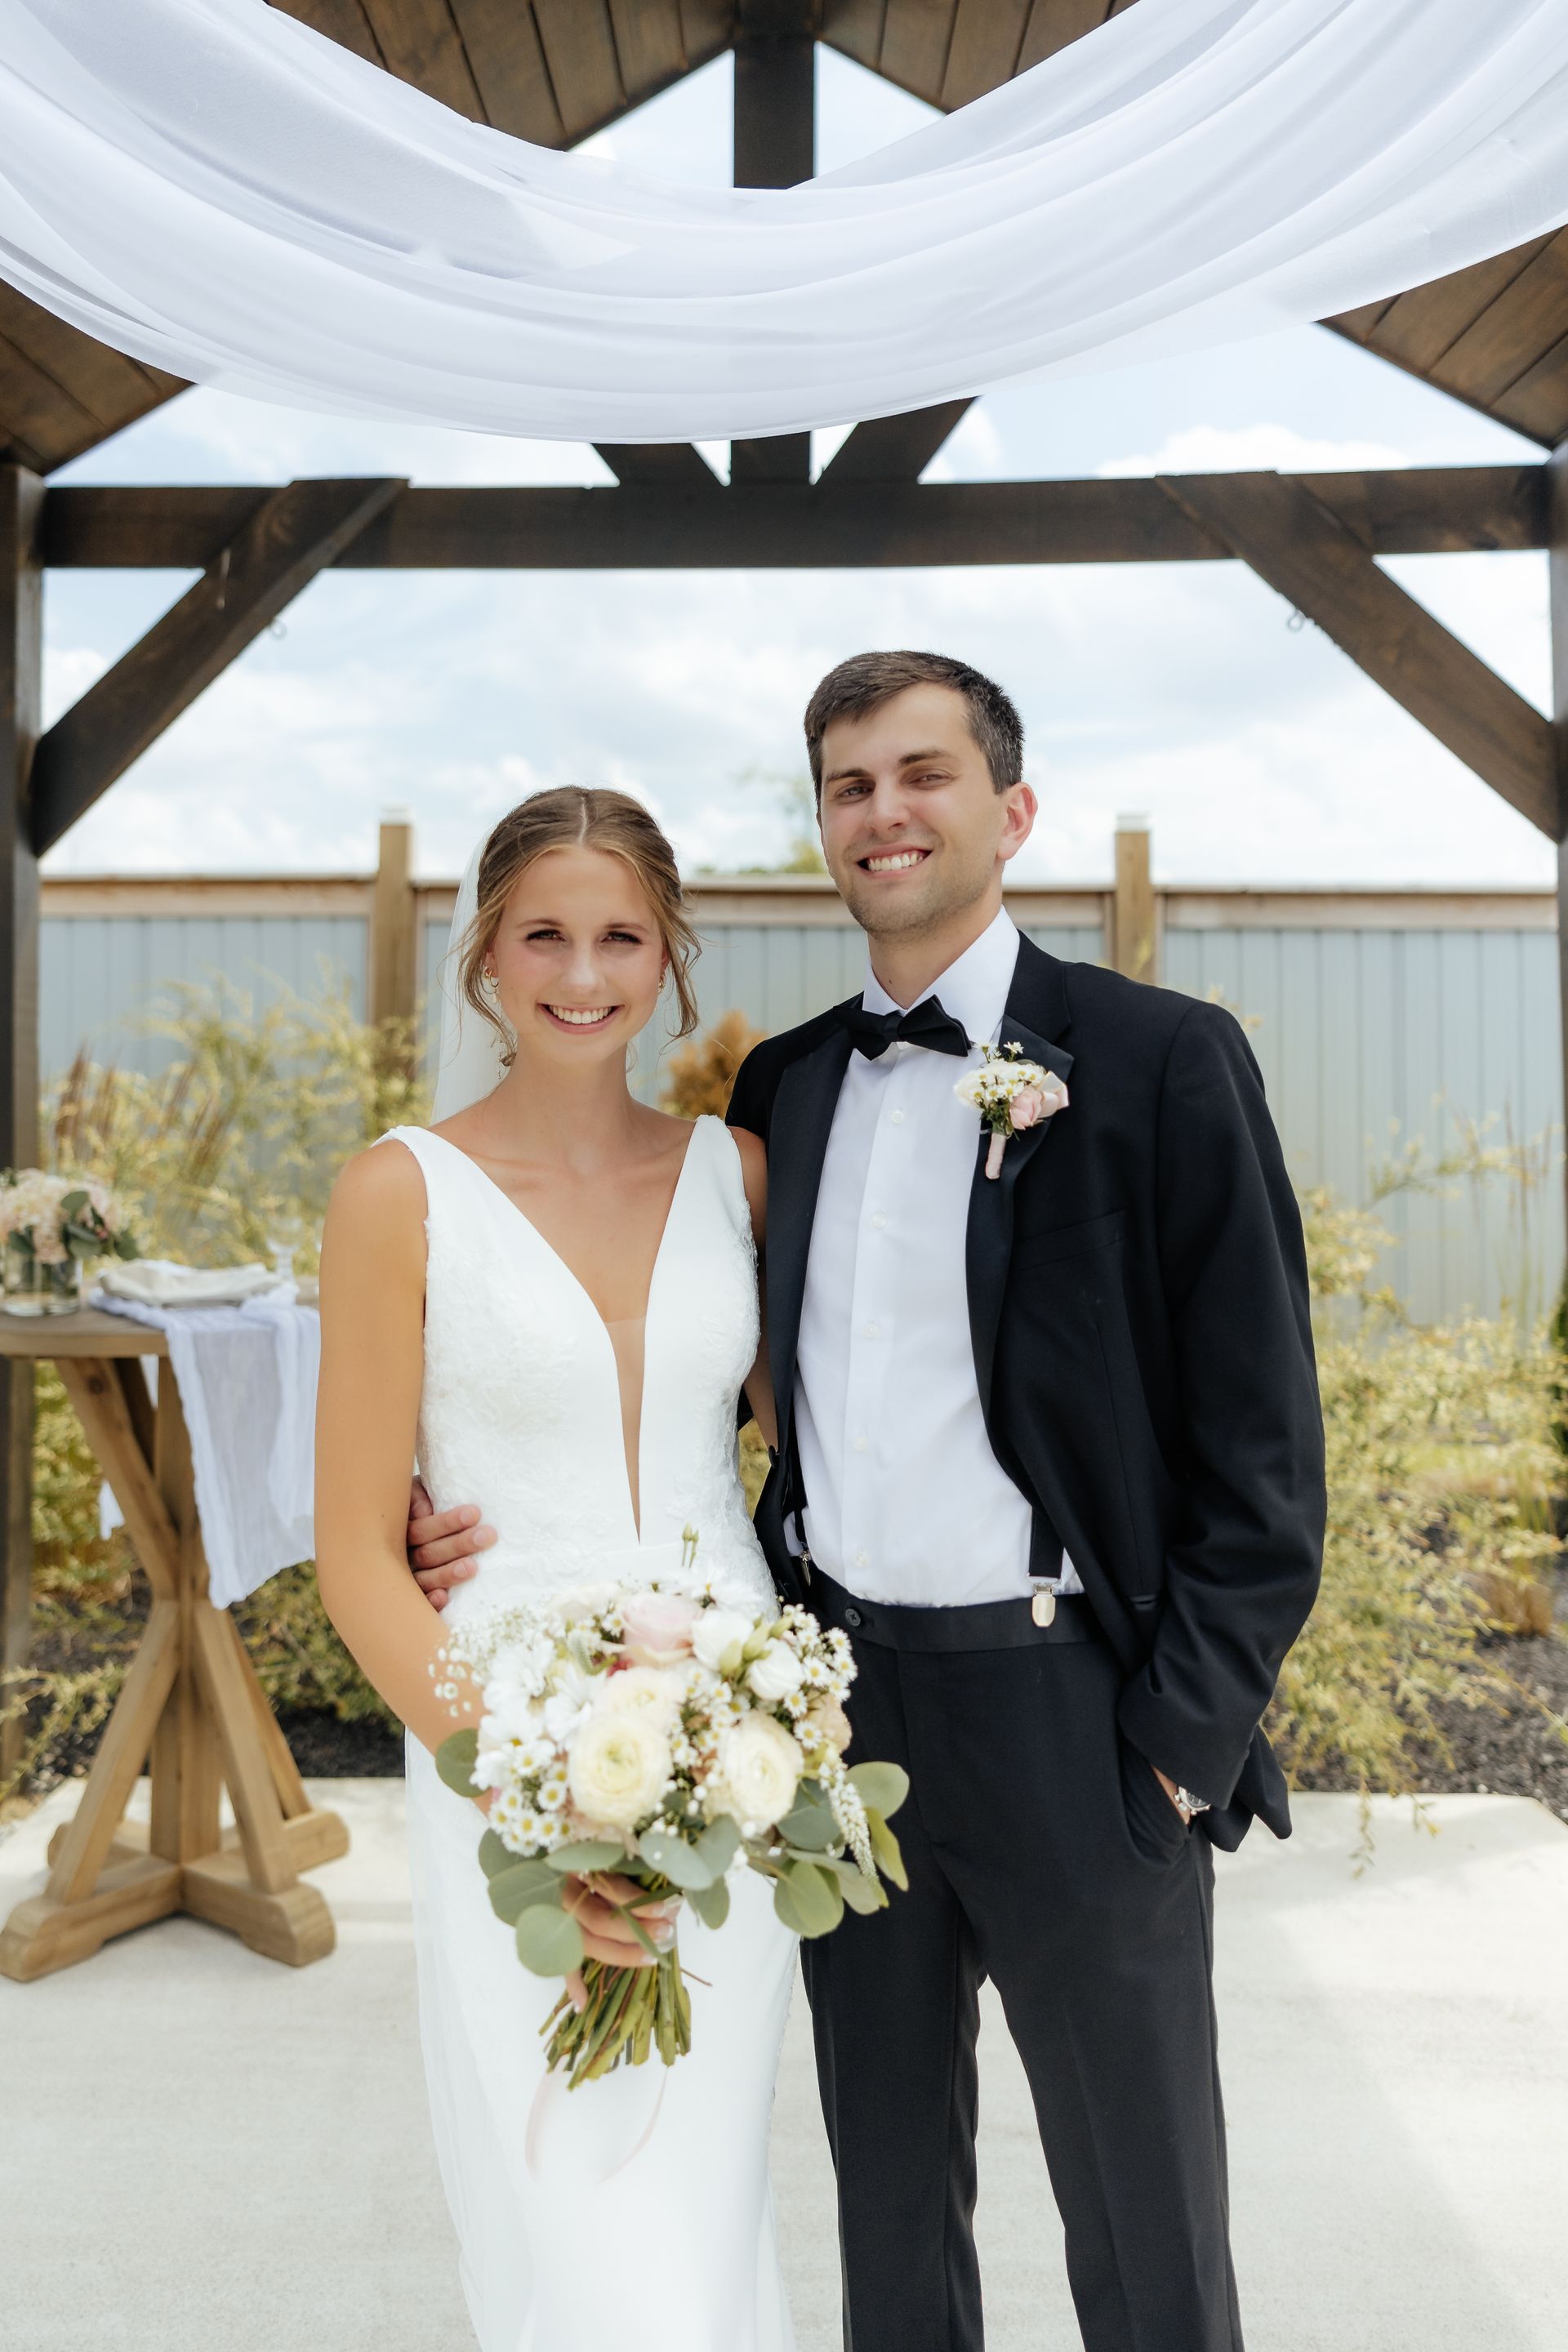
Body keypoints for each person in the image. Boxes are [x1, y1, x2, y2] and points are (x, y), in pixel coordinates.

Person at [411, 649, 1327, 2352]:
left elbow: (1266, 1452)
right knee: (890, 2215)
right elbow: (668, 1373)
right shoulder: (789, 1093)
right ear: (825, 828)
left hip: (1083, 1716)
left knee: (1147, 2225)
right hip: (834, 1730)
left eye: (923, 774)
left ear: (1012, 810)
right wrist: (446, 1502)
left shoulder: (1160, 1061)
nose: (883, 811)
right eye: (848, 785)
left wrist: (1180, 1738)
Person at [314, 786, 798, 2352]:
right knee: (569, 2208)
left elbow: (814, 1460)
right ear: (482, 957)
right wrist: (535, 1802)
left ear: (670, 957)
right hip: (502, 1743)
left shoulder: (741, 1180)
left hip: (739, 1742)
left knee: (703, 2201)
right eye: (545, 934)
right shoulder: (398, 1192)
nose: (582, 973)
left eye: (620, 937)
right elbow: (354, 1561)